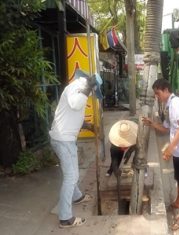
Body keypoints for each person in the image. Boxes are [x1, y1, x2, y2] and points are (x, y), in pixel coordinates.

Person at [142, 78, 179, 231]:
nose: (157, 96)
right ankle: (178, 201)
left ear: (166, 90)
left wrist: (170, 148)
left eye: (158, 93)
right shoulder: (168, 106)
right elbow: (167, 129)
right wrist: (152, 123)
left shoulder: (176, 104)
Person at [49, 69, 103, 228]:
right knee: (71, 177)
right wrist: (88, 89)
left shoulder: (78, 89)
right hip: (63, 139)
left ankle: (77, 197)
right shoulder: (78, 88)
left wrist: (88, 126)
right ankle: (65, 218)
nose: (92, 94)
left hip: (66, 139)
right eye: (94, 91)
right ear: (91, 86)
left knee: (73, 173)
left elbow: (73, 114)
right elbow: (75, 104)